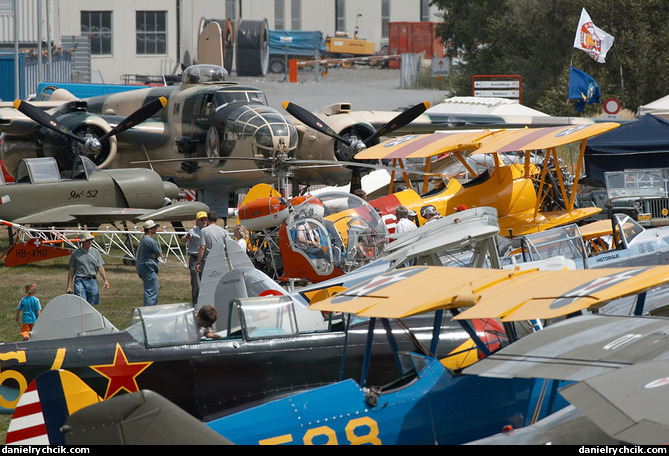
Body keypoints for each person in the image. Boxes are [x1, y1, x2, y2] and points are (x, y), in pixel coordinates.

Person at [66, 231, 110, 306]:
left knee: (92, 302)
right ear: (83, 241)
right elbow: (71, 270)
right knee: (81, 303)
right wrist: (69, 286)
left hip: (92, 280)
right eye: (88, 240)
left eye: (91, 240)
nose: (90, 242)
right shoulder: (75, 253)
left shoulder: (95, 252)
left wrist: (105, 280)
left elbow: (100, 267)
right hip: (80, 280)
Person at [182, 211, 208, 305]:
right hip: (194, 257)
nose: (204, 221)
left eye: (205, 219)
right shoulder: (193, 231)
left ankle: (205, 301)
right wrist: (187, 238)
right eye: (202, 220)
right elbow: (183, 239)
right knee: (195, 281)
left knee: (205, 280)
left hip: (205, 257)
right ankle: (196, 303)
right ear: (197, 221)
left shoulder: (208, 230)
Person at [136, 220, 162, 307]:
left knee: (150, 289)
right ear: (150, 229)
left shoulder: (143, 239)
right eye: (154, 227)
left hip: (142, 267)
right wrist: (156, 254)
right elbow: (159, 253)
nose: (156, 229)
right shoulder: (150, 241)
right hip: (148, 268)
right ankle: (148, 311)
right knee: (151, 291)